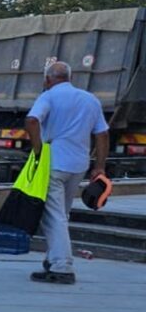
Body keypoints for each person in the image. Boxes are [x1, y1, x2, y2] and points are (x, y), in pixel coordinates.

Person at [25, 61, 109, 284]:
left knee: (53, 216)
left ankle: (62, 266)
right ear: (69, 77)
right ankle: (52, 260)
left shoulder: (48, 96)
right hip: (79, 166)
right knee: (62, 213)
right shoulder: (90, 99)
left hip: (54, 164)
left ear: (48, 79)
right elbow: (102, 134)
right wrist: (99, 166)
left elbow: (32, 120)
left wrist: (38, 150)